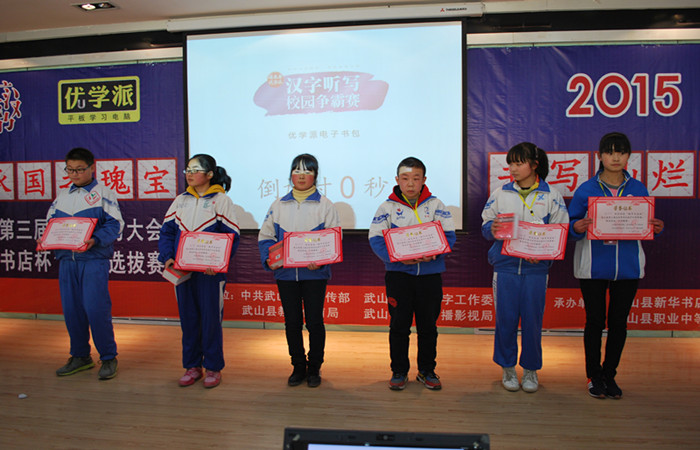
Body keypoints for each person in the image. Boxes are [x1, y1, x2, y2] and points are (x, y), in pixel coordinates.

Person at [569, 132, 664, 399]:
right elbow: (569, 226)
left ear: (628, 156)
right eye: (610, 152)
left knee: (619, 323)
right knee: (594, 321)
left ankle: (610, 375)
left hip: (628, 267)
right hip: (592, 267)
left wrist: (656, 228)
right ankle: (593, 376)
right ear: (600, 156)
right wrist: (576, 227)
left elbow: (646, 224)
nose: (615, 157)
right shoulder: (586, 189)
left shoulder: (638, 189)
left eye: (621, 152)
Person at [481, 142, 569, 393]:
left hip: (536, 271)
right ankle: (507, 367)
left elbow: (560, 231)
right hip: (505, 269)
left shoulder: (552, 195)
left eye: (519, 163)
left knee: (533, 322)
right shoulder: (500, 193)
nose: (513, 168)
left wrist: (542, 255)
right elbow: (486, 227)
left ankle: (530, 369)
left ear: (534, 165)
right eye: (511, 163)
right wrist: (492, 229)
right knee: (505, 321)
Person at [368, 157, 456, 391]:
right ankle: (399, 371)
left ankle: (427, 370)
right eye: (405, 178)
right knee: (399, 326)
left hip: (430, 277)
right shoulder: (386, 208)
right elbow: (376, 239)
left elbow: (449, 236)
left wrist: (434, 254)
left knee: (428, 327)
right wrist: (397, 258)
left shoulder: (436, 205)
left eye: (416, 178)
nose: (410, 183)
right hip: (399, 277)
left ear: (424, 180)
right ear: (397, 180)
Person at [40, 147, 124, 380]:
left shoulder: (103, 194)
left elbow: (115, 224)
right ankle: (80, 356)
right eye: (70, 170)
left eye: (79, 169)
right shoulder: (62, 196)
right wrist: (46, 239)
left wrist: (95, 240)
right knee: (72, 310)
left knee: (96, 310)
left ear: (92, 167)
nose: (74, 174)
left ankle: (108, 357)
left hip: (93, 260)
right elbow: (51, 224)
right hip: (67, 261)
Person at [258, 154, 340, 388]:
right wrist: (270, 259)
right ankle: (297, 366)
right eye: (297, 171)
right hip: (285, 275)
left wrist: (321, 261)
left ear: (315, 175)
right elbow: (266, 237)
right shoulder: (278, 205)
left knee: (314, 322)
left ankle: (314, 367)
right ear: (290, 175)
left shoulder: (325, 205)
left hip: (314, 275)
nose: (301, 176)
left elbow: (334, 239)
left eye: (307, 171)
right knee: (292, 322)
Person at [158, 154, 240, 389]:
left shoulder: (221, 200)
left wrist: (218, 263)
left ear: (210, 174)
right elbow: (167, 232)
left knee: (210, 321)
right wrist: (167, 256)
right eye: (188, 170)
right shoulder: (180, 200)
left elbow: (231, 236)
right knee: (189, 319)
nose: (190, 174)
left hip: (210, 274)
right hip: (183, 272)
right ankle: (192, 366)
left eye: (196, 169)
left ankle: (213, 367)